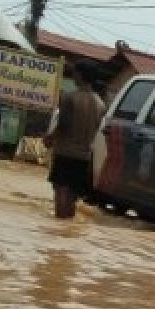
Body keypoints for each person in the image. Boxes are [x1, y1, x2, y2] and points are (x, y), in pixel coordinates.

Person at [43, 60, 106, 219]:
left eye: (75, 72)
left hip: (65, 151)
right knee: (72, 193)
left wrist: (50, 138)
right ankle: (67, 227)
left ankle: (59, 225)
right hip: (84, 155)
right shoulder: (100, 104)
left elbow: (63, 124)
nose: (72, 75)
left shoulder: (70, 98)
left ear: (80, 75)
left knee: (61, 189)